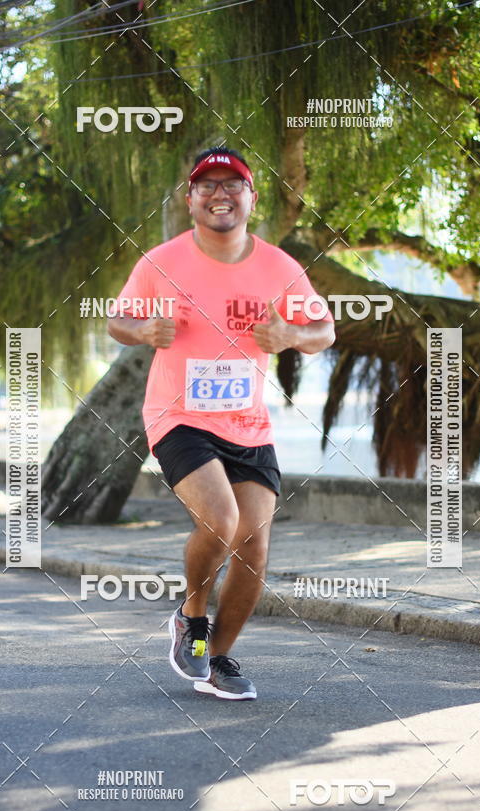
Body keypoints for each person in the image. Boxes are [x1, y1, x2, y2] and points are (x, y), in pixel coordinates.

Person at [108, 146, 334, 700]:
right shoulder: (160, 262)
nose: (219, 194)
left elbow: (324, 330)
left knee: (255, 548)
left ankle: (218, 659)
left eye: (232, 185)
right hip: (177, 415)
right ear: (190, 202)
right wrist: (145, 332)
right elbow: (118, 320)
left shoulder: (280, 267)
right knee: (222, 519)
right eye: (206, 186)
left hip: (247, 425)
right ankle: (190, 615)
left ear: (251, 200)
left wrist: (291, 338)